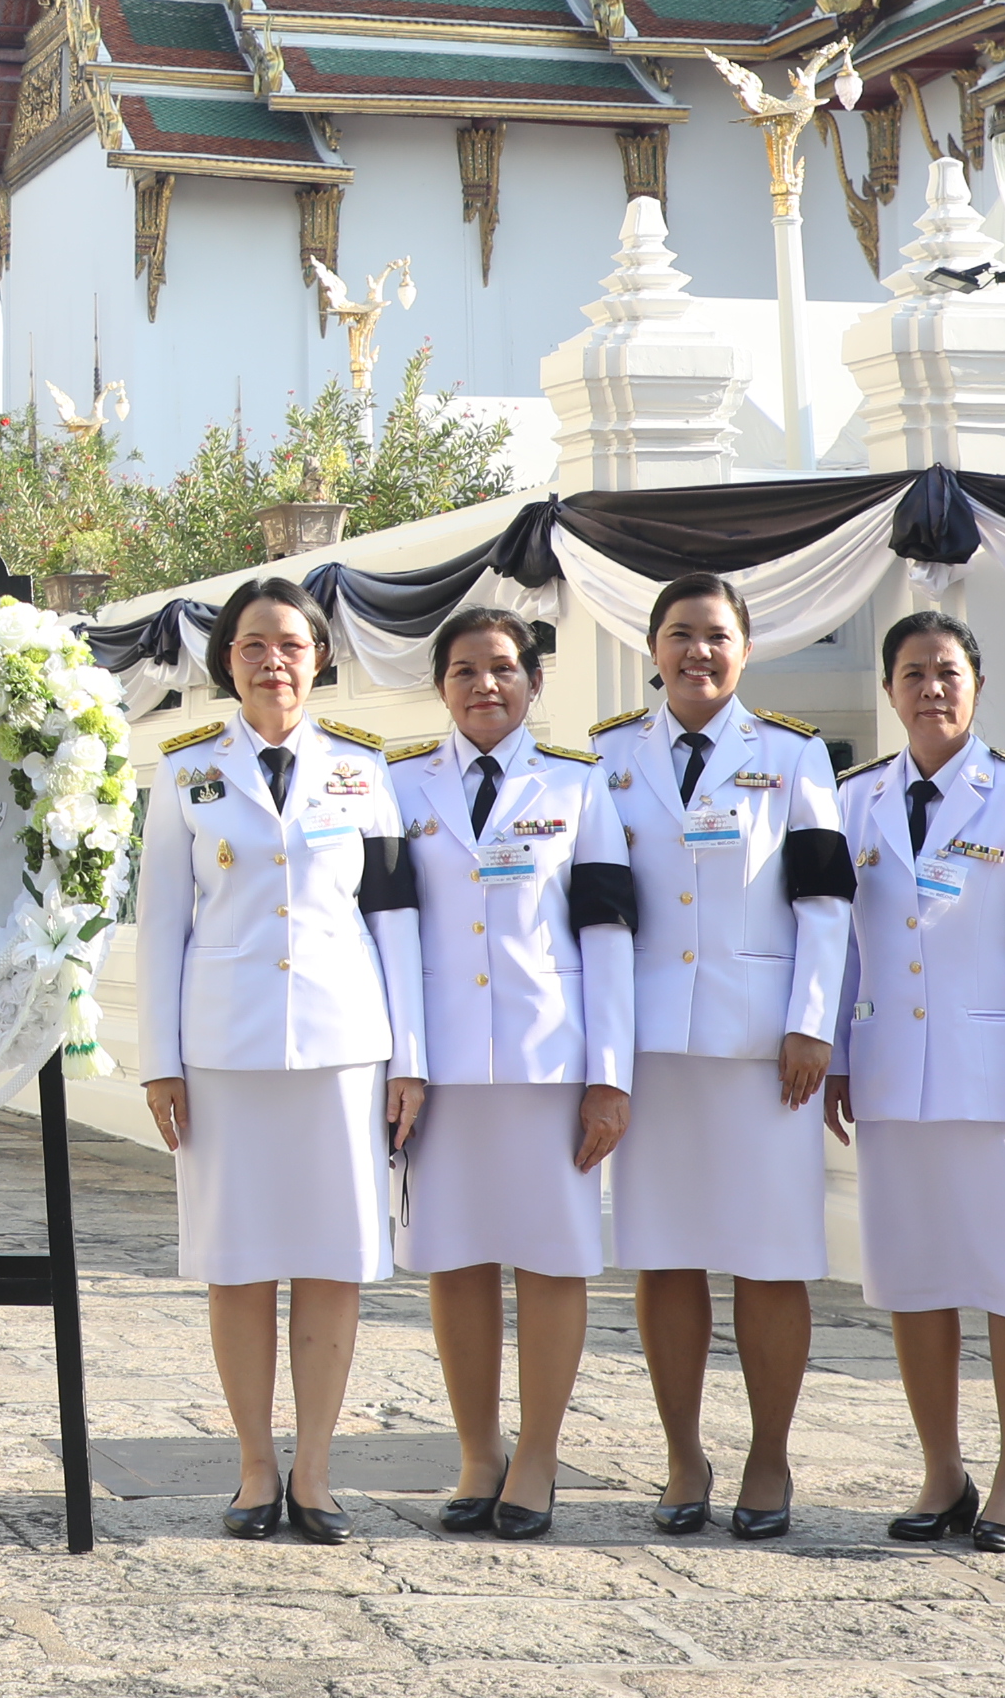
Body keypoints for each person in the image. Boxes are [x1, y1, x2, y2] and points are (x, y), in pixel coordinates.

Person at [135, 575, 422, 1544]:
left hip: (344, 1049)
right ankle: (257, 1467)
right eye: (253, 645)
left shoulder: (364, 772)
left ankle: (320, 1471)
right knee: (239, 1265)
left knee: (335, 1263)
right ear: (228, 661)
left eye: (291, 645)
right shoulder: (184, 773)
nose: (273, 662)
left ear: (321, 659)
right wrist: (159, 1061)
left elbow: (394, 922)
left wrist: (409, 1059)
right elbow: (160, 926)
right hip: (225, 1050)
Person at [591, 572, 852, 1541]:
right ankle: (683, 1455)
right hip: (655, 1048)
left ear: (744, 650)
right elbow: (602, 911)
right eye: (679, 635)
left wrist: (812, 1020)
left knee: (769, 1260)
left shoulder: (791, 755)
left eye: (715, 636)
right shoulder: (612, 757)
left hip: (761, 1051)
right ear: (653, 649)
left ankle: (770, 1455)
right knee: (665, 1258)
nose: (696, 652)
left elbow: (825, 897)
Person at [829, 612, 1005, 1553]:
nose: (931, 688)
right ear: (890, 692)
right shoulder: (855, 799)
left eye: (948, 671)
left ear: (975, 686)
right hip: (894, 1077)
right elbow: (844, 946)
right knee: (916, 1279)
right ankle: (943, 1471)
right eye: (913, 673)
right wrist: (838, 1057)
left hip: (1004, 1078)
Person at [384, 606, 630, 1541]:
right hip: (440, 1066)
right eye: (463, 670)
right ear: (440, 685)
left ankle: (537, 1457)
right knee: (455, 1257)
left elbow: (608, 933)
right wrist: (401, 1060)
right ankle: (478, 1451)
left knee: (552, 1257)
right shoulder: (399, 785)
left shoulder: (578, 787)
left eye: (502, 668)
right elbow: (391, 935)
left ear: (533, 681)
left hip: (548, 1063)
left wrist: (608, 1075)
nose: (484, 685)